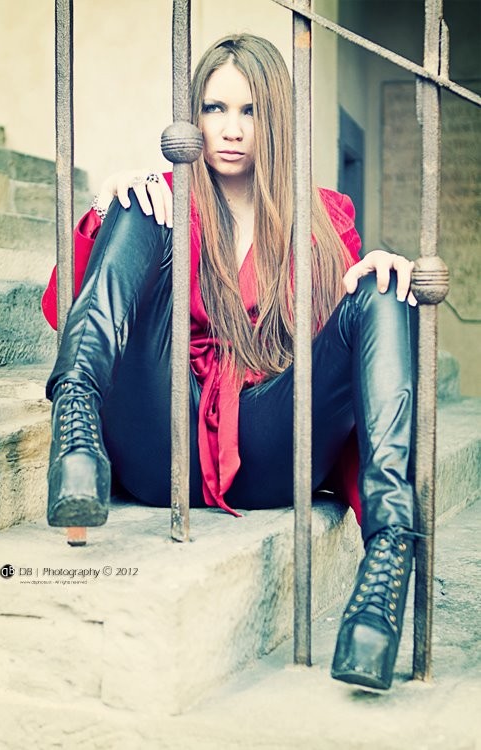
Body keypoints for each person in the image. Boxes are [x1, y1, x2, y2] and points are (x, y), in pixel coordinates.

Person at [41, 33, 419, 691]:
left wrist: (377, 275)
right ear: (195, 116)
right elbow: (58, 307)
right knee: (140, 197)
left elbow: (347, 382)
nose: (231, 129)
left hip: (272, 449)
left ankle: (388, 556)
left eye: (250, 111)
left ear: (276, 119)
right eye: (214, 109)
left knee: (387, 285)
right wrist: (105, 213)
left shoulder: (327, 218)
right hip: (162, 444)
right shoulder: (169, 200)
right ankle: (74, 417)